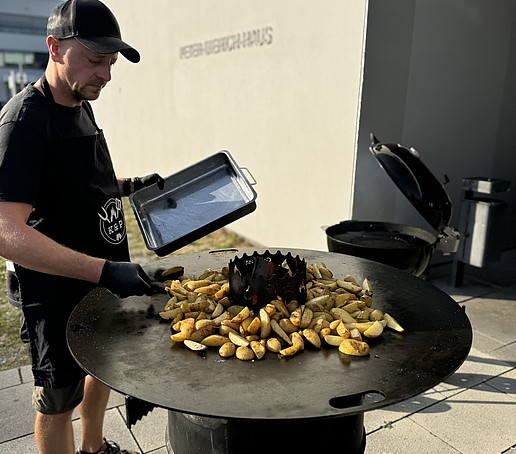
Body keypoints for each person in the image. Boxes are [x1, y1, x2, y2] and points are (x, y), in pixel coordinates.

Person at [0, 1, 166, 453]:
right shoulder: (24, 123)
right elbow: (4, 229)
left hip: (104, 276)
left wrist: (129, 186)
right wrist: (103, 271)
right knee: (57, 402)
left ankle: (94, 447)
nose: (106, 75)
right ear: (54, 47)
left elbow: (77, 181)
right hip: (55, 293)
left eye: (110, 63)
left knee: (102, 366)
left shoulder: (78, 101)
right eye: (95, 60)